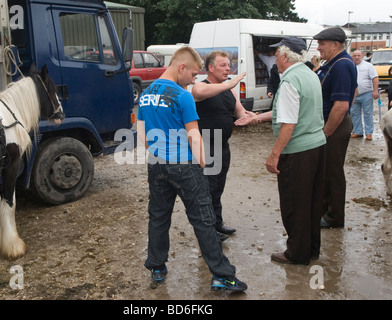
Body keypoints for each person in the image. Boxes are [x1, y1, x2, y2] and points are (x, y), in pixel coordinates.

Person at [137, 47, 247, 292]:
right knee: (204, 219)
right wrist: (201, 163)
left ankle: (156, 266)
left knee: (158, 216)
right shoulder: (182, 96)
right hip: (184, 165)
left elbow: (143, 135)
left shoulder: (145, 94)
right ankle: (222, 276)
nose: (194, 80)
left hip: (156, 164)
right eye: (194, 74)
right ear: (181, 67)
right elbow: (194, 135)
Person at [236, 37, 326, 265]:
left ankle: (296, 254)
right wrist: (258, 117)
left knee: (294, 203)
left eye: (276, 55)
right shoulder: (309, 75)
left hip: (298, 152)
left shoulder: (289, 82)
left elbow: (288, 123)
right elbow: (290, 112)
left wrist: (274, 154)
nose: (274, 59)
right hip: (317, 147)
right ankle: (311, 249)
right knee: (312, 201)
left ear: (286, 57)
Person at [191, 51, 257, 241]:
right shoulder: (200, 86)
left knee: (218, 188)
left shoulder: (230, 90)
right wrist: (227, 84)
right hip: (206, 145)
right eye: (223, 65)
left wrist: (253, 116)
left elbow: (240, 112)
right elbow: (198, 93)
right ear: (210, 68)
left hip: (223, 146)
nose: (228, 68)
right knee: (207, 190)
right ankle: (208, 232)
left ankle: (217, 224)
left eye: (229, 65)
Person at [313, 27, 358, 229]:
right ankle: (324, 211)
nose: (318, 47)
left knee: (332, 172)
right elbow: (354, 90)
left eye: (322, 43)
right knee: (325, 170)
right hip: (334, 122)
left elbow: (341, 105)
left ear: (336, 45)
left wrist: (326, 132)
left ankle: (334, 217)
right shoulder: (335, 63)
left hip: (334, 125)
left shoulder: (341, 65)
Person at [350, 50, 379, 140]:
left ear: (362, 56)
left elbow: (375, 78)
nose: (357, 57)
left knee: (367, 113)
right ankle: (358, 131)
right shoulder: (350, 66)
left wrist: (375, 91)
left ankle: (368, 132)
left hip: (366, 93)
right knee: (354, 113)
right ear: (352, 56)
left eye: (358, 55)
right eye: (355, 55)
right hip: (354, 95)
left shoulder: (368, 66)